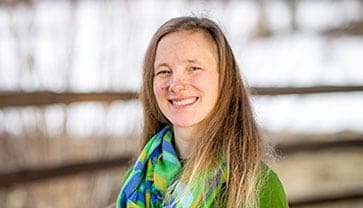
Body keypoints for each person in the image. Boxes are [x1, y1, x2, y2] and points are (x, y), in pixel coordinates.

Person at [116, 16, 289, 208]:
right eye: (164, 71)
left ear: (224, 79)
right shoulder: (137, 180)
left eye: (194, 68)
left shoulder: (258, 188)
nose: (176, 85)